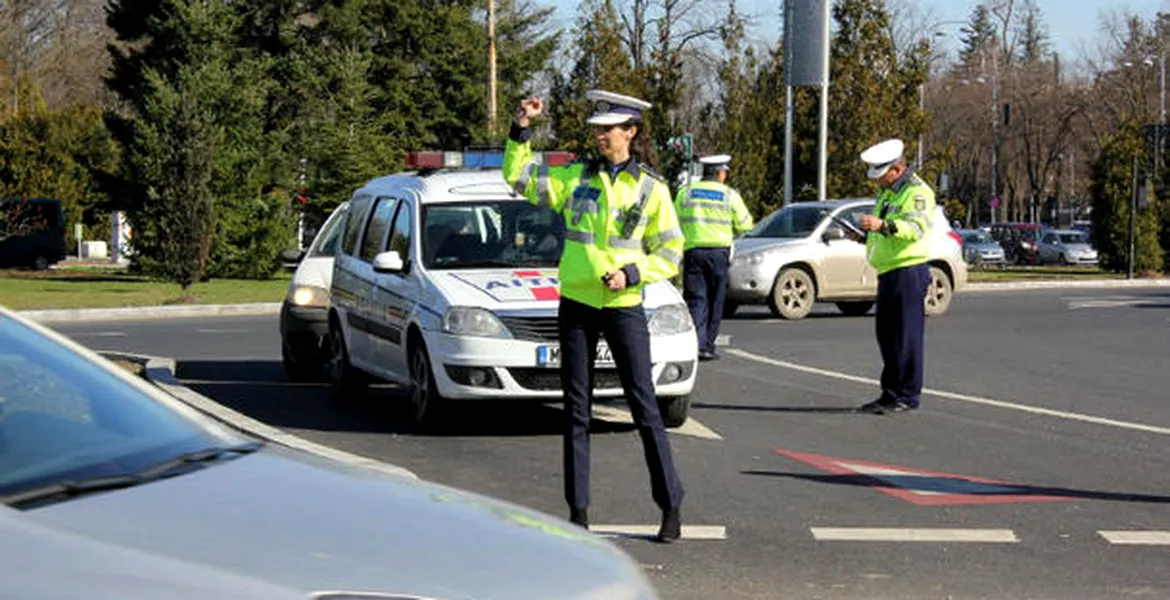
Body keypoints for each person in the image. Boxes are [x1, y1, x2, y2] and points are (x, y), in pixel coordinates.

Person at [503, 90, 686, 542]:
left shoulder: (651, 187)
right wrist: (521, 127)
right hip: (578, 305)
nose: (600, 136)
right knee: (576, 412)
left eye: (609, 129)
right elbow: (519, 178)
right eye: (597, 129)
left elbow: (671, 252)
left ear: (631, 132)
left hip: (624, 308)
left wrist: (633, 272)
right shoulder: (576, 177)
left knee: (644, 407)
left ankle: (670, 506)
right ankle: (578, 512)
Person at [853, 138, 935, 415]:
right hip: (888, 271)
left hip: (909, 270)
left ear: (897, 169)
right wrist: (866, 233)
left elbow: (916, 228)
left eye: (882, 174)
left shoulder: (917, 192)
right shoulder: (889, 193)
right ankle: (890, 393)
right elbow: (884, 229)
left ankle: (907, 395)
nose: (878, 181)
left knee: (906, 337)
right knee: (887, 336)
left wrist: (883, 225)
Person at [673, 154, 754, 361]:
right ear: (720, 173)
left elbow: (673, 222)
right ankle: (708, 346)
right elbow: (745, 224)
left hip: (693, 252)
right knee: (716, 299)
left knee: (696, 299)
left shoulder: (685, 193)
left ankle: (695, 344)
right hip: (718, 253)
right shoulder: (729, 195)